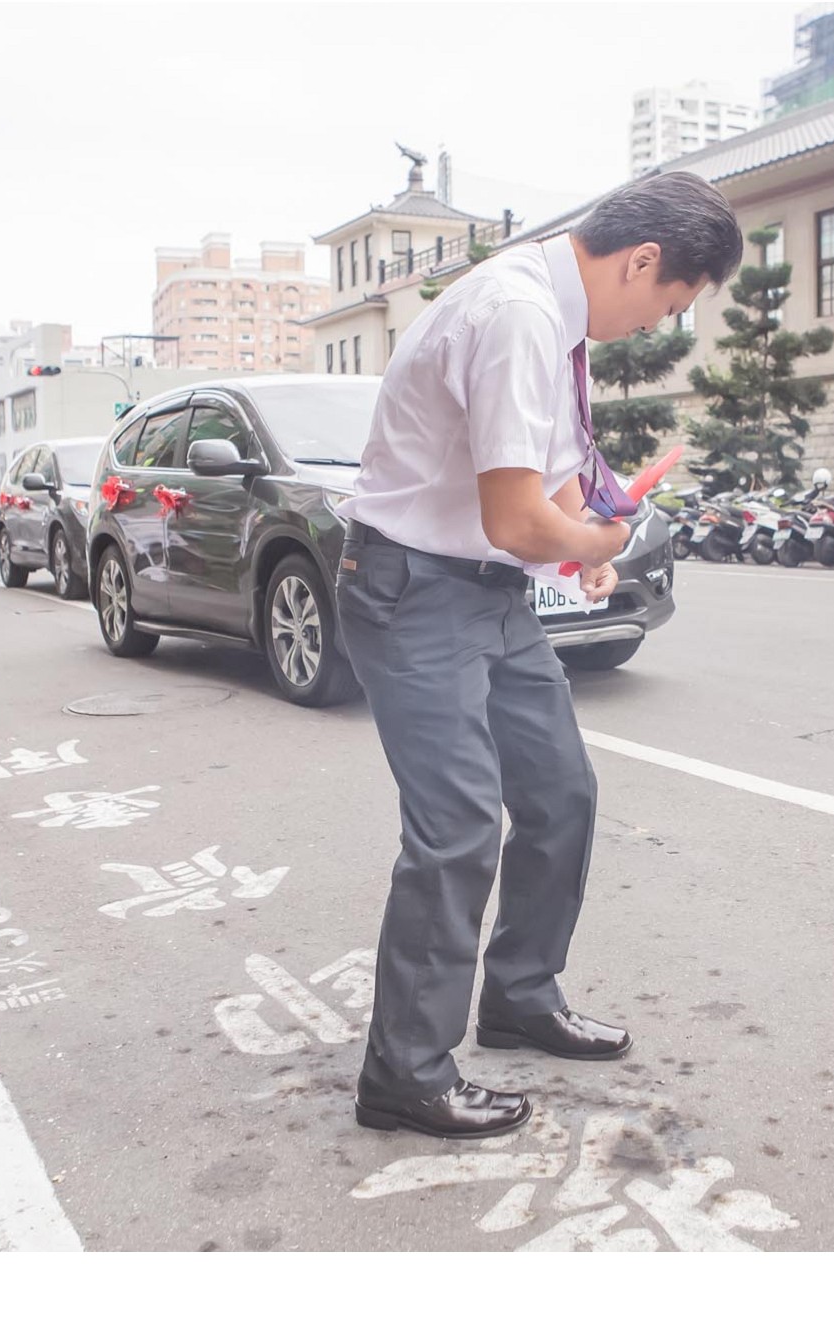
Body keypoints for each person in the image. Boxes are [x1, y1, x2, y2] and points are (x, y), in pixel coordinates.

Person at [335, 173, 743, 1140]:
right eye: (670, 306)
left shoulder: (555, 321)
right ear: (643, 261)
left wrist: (579, 545)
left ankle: (520, 994)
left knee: (560, 792)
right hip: (414, 589)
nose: (654, 327)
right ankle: (404, 1073)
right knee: (458, 827)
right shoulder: (517, 313)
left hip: (489, 593)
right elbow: (515, 517)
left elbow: (541, 483)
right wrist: (590, 540)